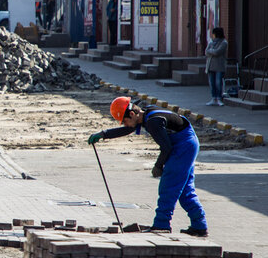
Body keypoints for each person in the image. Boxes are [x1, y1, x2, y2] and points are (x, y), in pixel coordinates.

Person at [88, 97, 208, 237]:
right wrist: (104, 134)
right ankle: (199, 225)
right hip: (187, 142)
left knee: (168, 186)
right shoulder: (146, 114)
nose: (124, 124)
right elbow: (128, 129)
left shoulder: (153, 122)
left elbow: (166, 148)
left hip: (182, 146)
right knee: (185, 189)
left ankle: (162, 224)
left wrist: (158, 166)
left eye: (124, 121)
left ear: (132, 114)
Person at [205, 27, 228, 106]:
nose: (212, 35)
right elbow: (206, 52)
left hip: (219, 66)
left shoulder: (224, 42)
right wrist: (212, 52)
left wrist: (211, 51)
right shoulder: (211, 42)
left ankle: (219, 98)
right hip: (210, 65)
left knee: (218, 83)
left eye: (213, 33)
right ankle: (213, 98)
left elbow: (217, 52)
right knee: (212, 83)